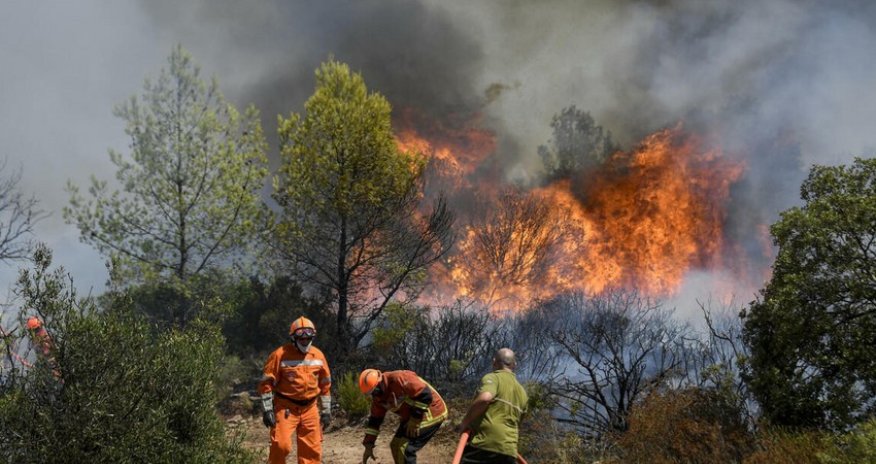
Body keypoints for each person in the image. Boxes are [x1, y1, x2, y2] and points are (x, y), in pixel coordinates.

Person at [258, 316, 332, 464]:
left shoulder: (318, 355)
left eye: (307, 337)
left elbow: (325, 384)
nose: (304, 340)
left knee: (311, 452)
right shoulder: (280, 354)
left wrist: (326, 411)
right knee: (280, 446)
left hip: (310, 409)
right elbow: (266, 382)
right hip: (286, 408)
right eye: (301, 337)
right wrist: (267, 409)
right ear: (293, 337)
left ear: (312, 336)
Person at [359, 368, 448, 464]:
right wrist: (369, 444)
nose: (375, 395)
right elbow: (375, 420)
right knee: (395, 445)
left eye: (375, 390)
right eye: (371, 393)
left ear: (380, 382)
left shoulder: (399, 378)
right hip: (411, 415)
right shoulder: (378, 398)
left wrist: (415, 420)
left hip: (432, 410)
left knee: (404, 448)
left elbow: (425, 395)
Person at [456, 348, 528, 464]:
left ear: (494, 362)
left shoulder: (493, 378)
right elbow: (518, 423)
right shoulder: (523, 393)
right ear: (514, 365)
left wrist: (465, 423)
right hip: (509, 452)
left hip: (484, 445)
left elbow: (485, 398)